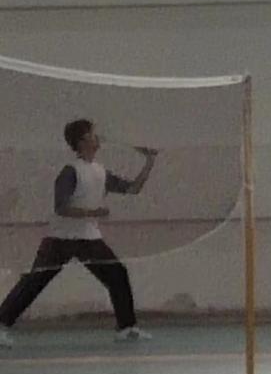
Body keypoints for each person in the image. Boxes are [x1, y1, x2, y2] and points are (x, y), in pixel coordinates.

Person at [0, 119, 156, 347]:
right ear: (82, 141)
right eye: (93, 134)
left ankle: (127, 328)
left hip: (89, 238)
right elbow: (61, 208)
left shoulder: (100, 171)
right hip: (60, 239)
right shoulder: (70, 172)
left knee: (117, 274)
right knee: (34, 282)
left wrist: (149, 161)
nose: (98, 138)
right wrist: (94, 212)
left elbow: (133, 189)